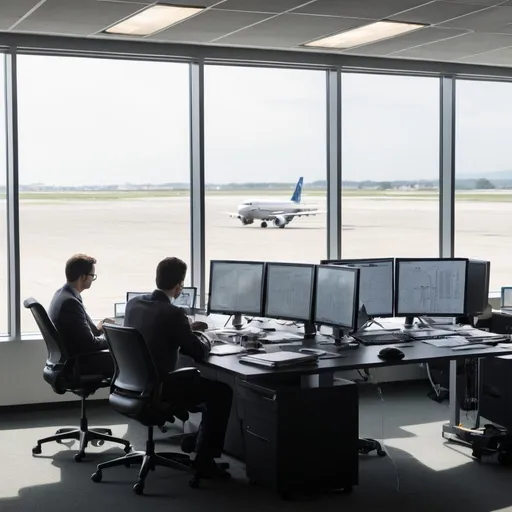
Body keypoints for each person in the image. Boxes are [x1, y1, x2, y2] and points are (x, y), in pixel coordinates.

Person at [124, 256, 233, 478]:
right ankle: (204, 460)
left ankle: (194, 441)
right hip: (161, 388)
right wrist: (206, 336)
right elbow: (197, 351)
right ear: (179, 286)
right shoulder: (174, 314)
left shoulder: (134, 304)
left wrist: (186, 328)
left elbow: (157, 328)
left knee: (207, 388)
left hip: (133, 385)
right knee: (221, 392)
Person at [48, 253, 114, 378]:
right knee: (128, 359)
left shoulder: (62, 295)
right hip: (79, 363)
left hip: (71, 359)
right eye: (92, 276)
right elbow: (90, 344)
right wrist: (113, 341)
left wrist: (99, 329)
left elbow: (80, 333)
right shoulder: (70, 302)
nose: (92, 279)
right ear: (83, 277)